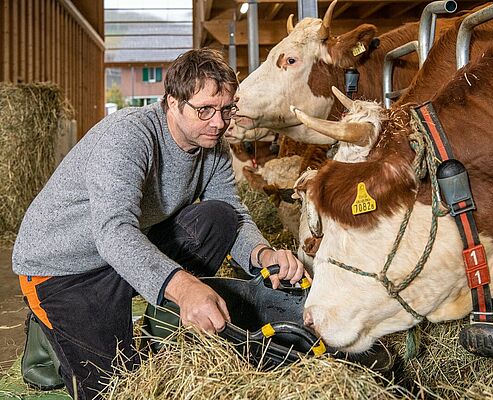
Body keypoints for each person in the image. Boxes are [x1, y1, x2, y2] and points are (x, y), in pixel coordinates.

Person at [12, 48, 306, 399]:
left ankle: (160, 324)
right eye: (205, 110)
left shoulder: (212, 147)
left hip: (130, 248)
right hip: (65, 267)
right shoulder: (128, 136)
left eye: (227, 109)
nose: (219, 122)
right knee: (117, 387)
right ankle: (46, 333)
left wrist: (262, 254)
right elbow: (113, 231)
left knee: (218, 216)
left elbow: (233, 211)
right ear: (172, 102)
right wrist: (184, 288)